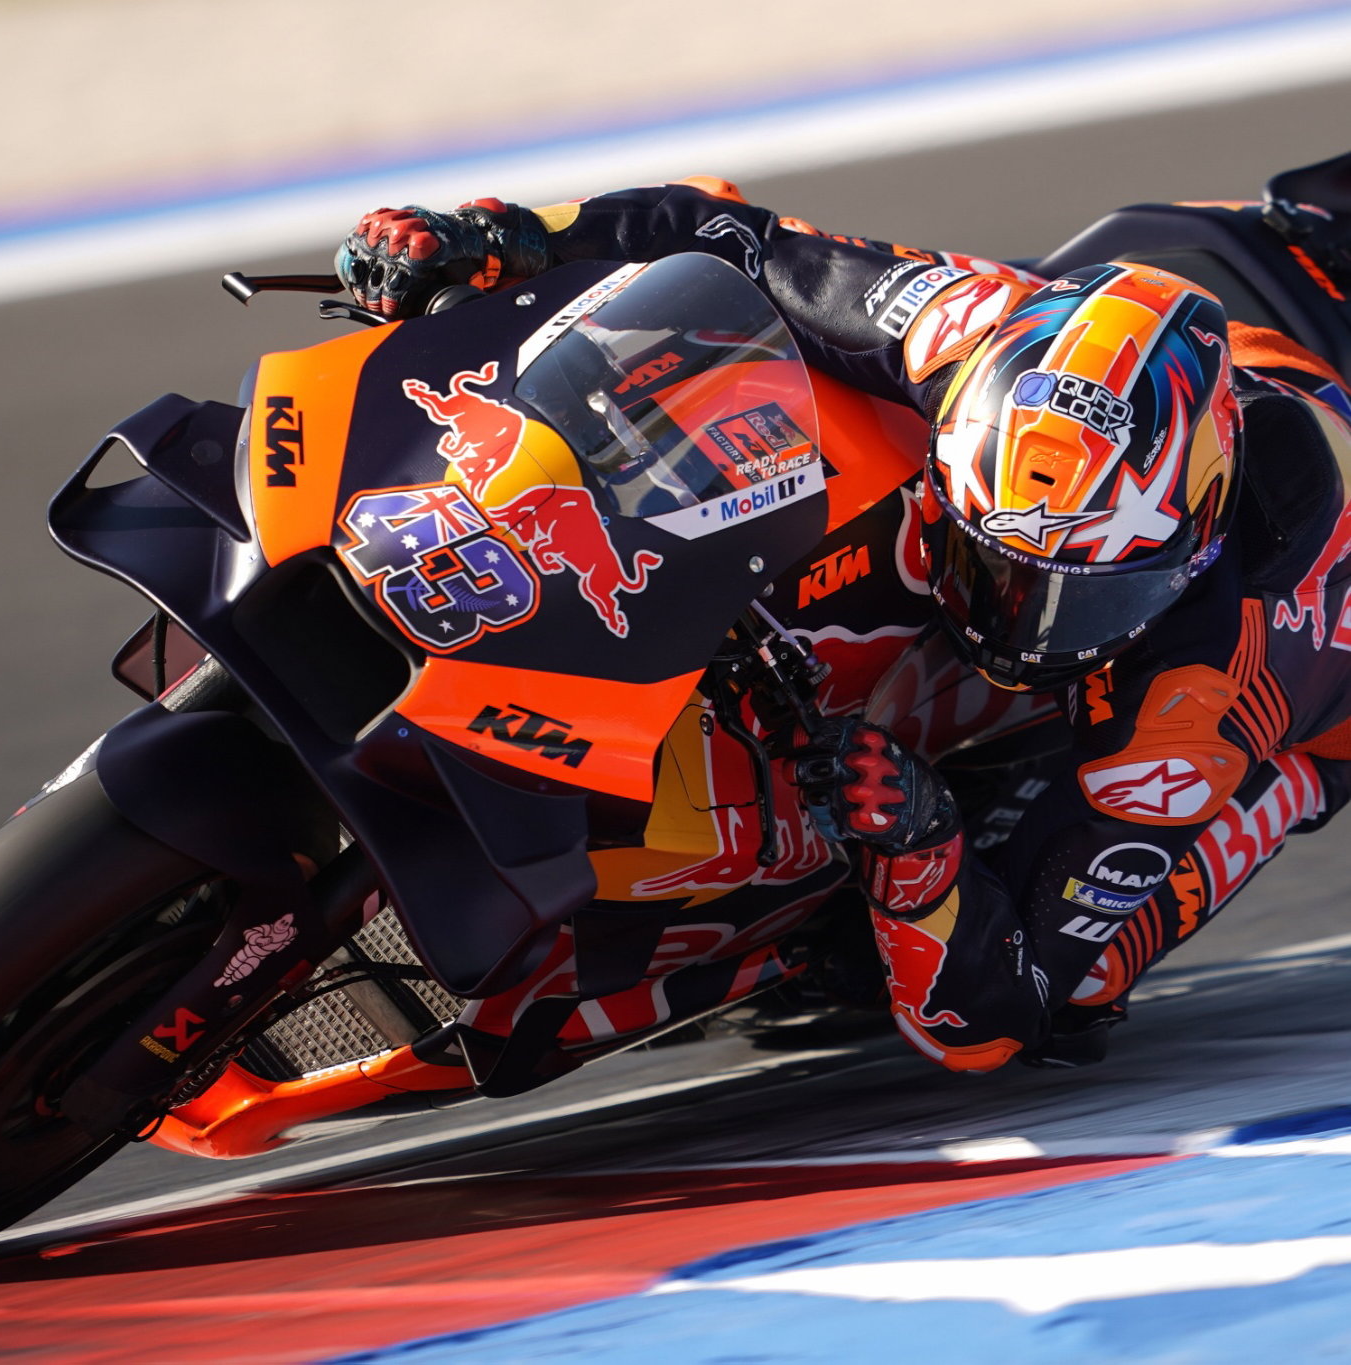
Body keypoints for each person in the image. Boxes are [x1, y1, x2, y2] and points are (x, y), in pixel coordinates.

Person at [335, 175, 1351, 1070]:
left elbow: (1008, 1009)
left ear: (1196, 541)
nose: (1026, 625)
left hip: (1306, 707)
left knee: (1031, 979)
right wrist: (500, 235)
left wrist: (919, 854)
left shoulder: (1204, 695)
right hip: (1181, 327)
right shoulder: (966, 326)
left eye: (1082, 593)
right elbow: (719, 234)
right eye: (998, 565)